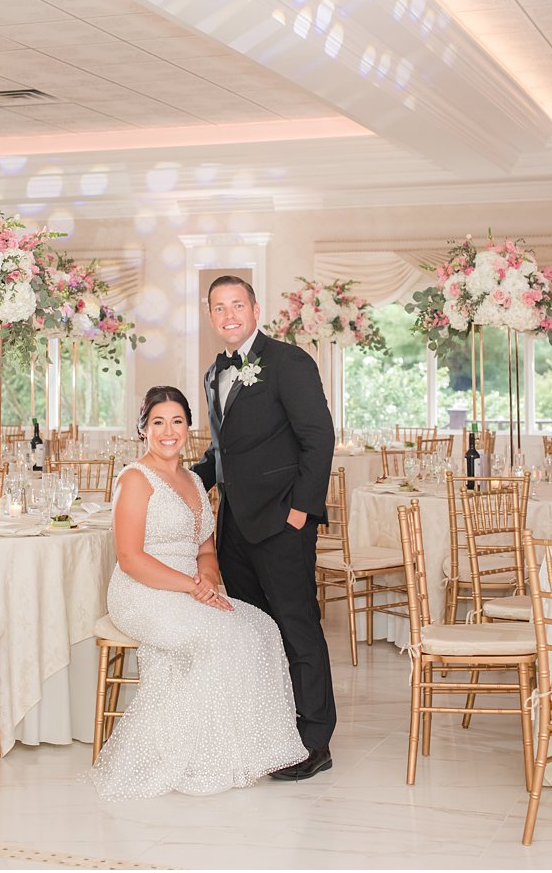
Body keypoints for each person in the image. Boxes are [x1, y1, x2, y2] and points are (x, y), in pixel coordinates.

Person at [90, 386, 307, 800]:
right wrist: (193, 586)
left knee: (260, 627)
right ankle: (195, 755)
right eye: (158, 422)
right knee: (219, 636)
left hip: (190, 588)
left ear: (189, 427)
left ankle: (244, 748)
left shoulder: (192, 478)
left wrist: (207, 579)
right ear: (142, 429)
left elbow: (205, 548)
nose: (168, 431)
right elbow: (130, 557)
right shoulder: (135, 479)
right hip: (143, 590)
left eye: (177, 421)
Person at [190, 275, 336, 781]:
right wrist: (179, 481)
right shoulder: (213, 374)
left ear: (255, 309)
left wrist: (300, 513)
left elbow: (319, 439)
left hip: (281, 523)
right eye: (219, 308)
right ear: (211, 317)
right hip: (235, 528)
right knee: (254, 633)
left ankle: (314, 741)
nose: (229, 315)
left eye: (237, 305)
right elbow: (221, 453)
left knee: (298, 629)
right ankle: (269, 729)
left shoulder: (288, 362)